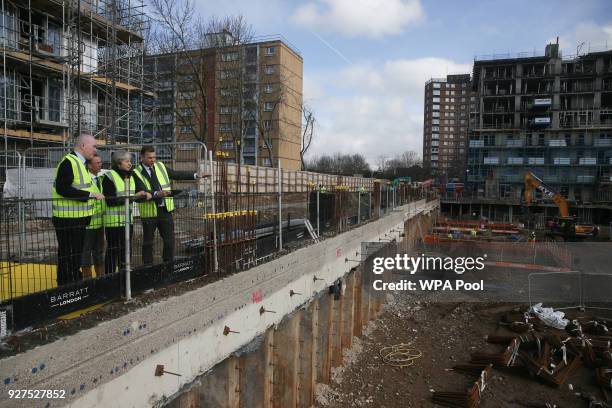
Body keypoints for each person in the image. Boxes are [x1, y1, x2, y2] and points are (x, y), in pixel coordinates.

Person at [133, 145, 208, 266]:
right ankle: (148, 266)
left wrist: (195, 175)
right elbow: (141, 189)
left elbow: (176, 174)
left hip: (165, 210)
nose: (153, 160)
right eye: (149, 158)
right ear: (142, 157)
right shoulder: (136, 173)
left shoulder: (160, 166)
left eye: (154, 157)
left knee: (169, 240)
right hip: (149, 212)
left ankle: (168, 264)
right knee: (148, 242)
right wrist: (157, 194)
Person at [52, 134, 104, 286]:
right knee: (68, 255)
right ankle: (67, 285)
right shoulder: (69, 162)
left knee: (74, 255)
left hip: (77, 218)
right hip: (68, 219)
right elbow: (62, 188)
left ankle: (73, 282)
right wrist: (89, 195)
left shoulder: (79, 163)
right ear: (83, 146)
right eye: (93, 146)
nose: (95, 150)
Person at [102, 151, 151, 275]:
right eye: (127, 161)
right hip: (113, 223)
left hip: (128, 222)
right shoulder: (109, 176)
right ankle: (110, 277)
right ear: (119, 163)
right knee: (113, 252)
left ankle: (125, 278)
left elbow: (141, 190)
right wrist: (134, 197)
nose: (130, 164)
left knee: (126, 251)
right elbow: (110, 201)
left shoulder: (131, 175)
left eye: (130, 161)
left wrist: (146, 193)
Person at [81, 154, 106, 279]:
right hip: (88, 223)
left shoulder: (100, 179)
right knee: (86, 251)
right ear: (89, 165)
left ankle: (100, 277)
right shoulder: (86, 180)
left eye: (101, 162)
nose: (100, 164)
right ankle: (87, 278)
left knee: (99, 251)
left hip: (99, 222)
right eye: (97, 163)